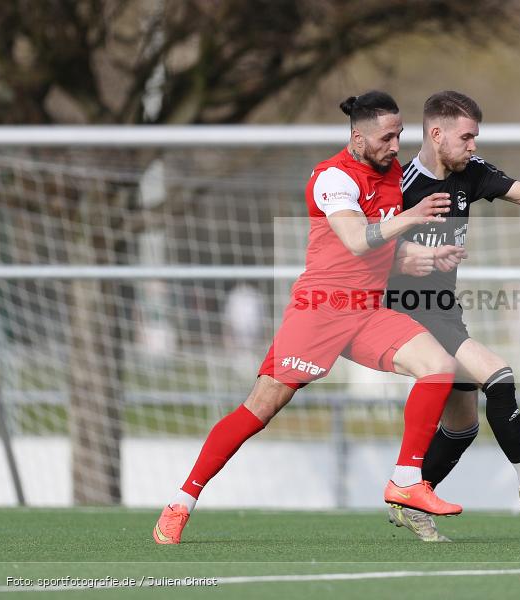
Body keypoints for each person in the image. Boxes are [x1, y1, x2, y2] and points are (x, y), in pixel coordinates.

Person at [153, 91, 470, 544]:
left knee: (439, 366)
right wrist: (414, 218)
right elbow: (357, 240)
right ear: (357, 137)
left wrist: (419, 254)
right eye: (386, 137)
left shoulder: (394, 172)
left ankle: (405, 480)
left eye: (399, 135)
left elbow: (378, 250)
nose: (395, 145)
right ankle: (181, 502)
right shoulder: (332, 178)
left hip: (366, 310)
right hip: (320, 311)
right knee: (259, 410)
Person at [384, 90, 520, 542]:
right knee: (498, 373)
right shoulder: (400, 183)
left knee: (462, 426)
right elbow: (362, 244)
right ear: (436, 134)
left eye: (476, 136)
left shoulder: (471, 173)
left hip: (443, 311)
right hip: (406, 312)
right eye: (466, 136)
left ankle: (410, 496)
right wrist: (407, 255)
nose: (474, 145)